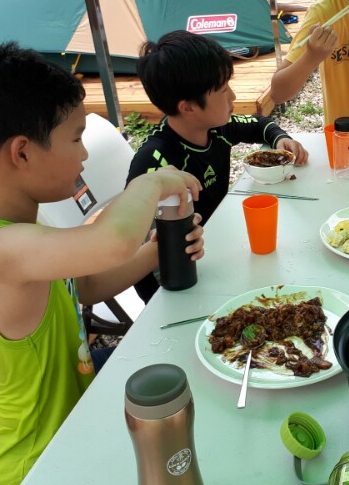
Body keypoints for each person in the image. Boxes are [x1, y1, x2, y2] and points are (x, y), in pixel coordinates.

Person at [0, 43, 205, 485]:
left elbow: (82, 287)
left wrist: (164, 247)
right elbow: (111, 241)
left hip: (72, 417)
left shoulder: (22, 226)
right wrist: (151, 181)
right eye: (76, 138)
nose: (84, 155)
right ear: (22, 153)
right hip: (32, 462)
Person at [126, 30, 307, 302]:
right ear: (188, 108)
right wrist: (162, 303)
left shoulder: (217, 128)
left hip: (221, 250)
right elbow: (133, 255)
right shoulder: (154, 164)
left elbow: (260, 124)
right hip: (186, 282)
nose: (233, 96)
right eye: (223, 91)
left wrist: (281, 138)